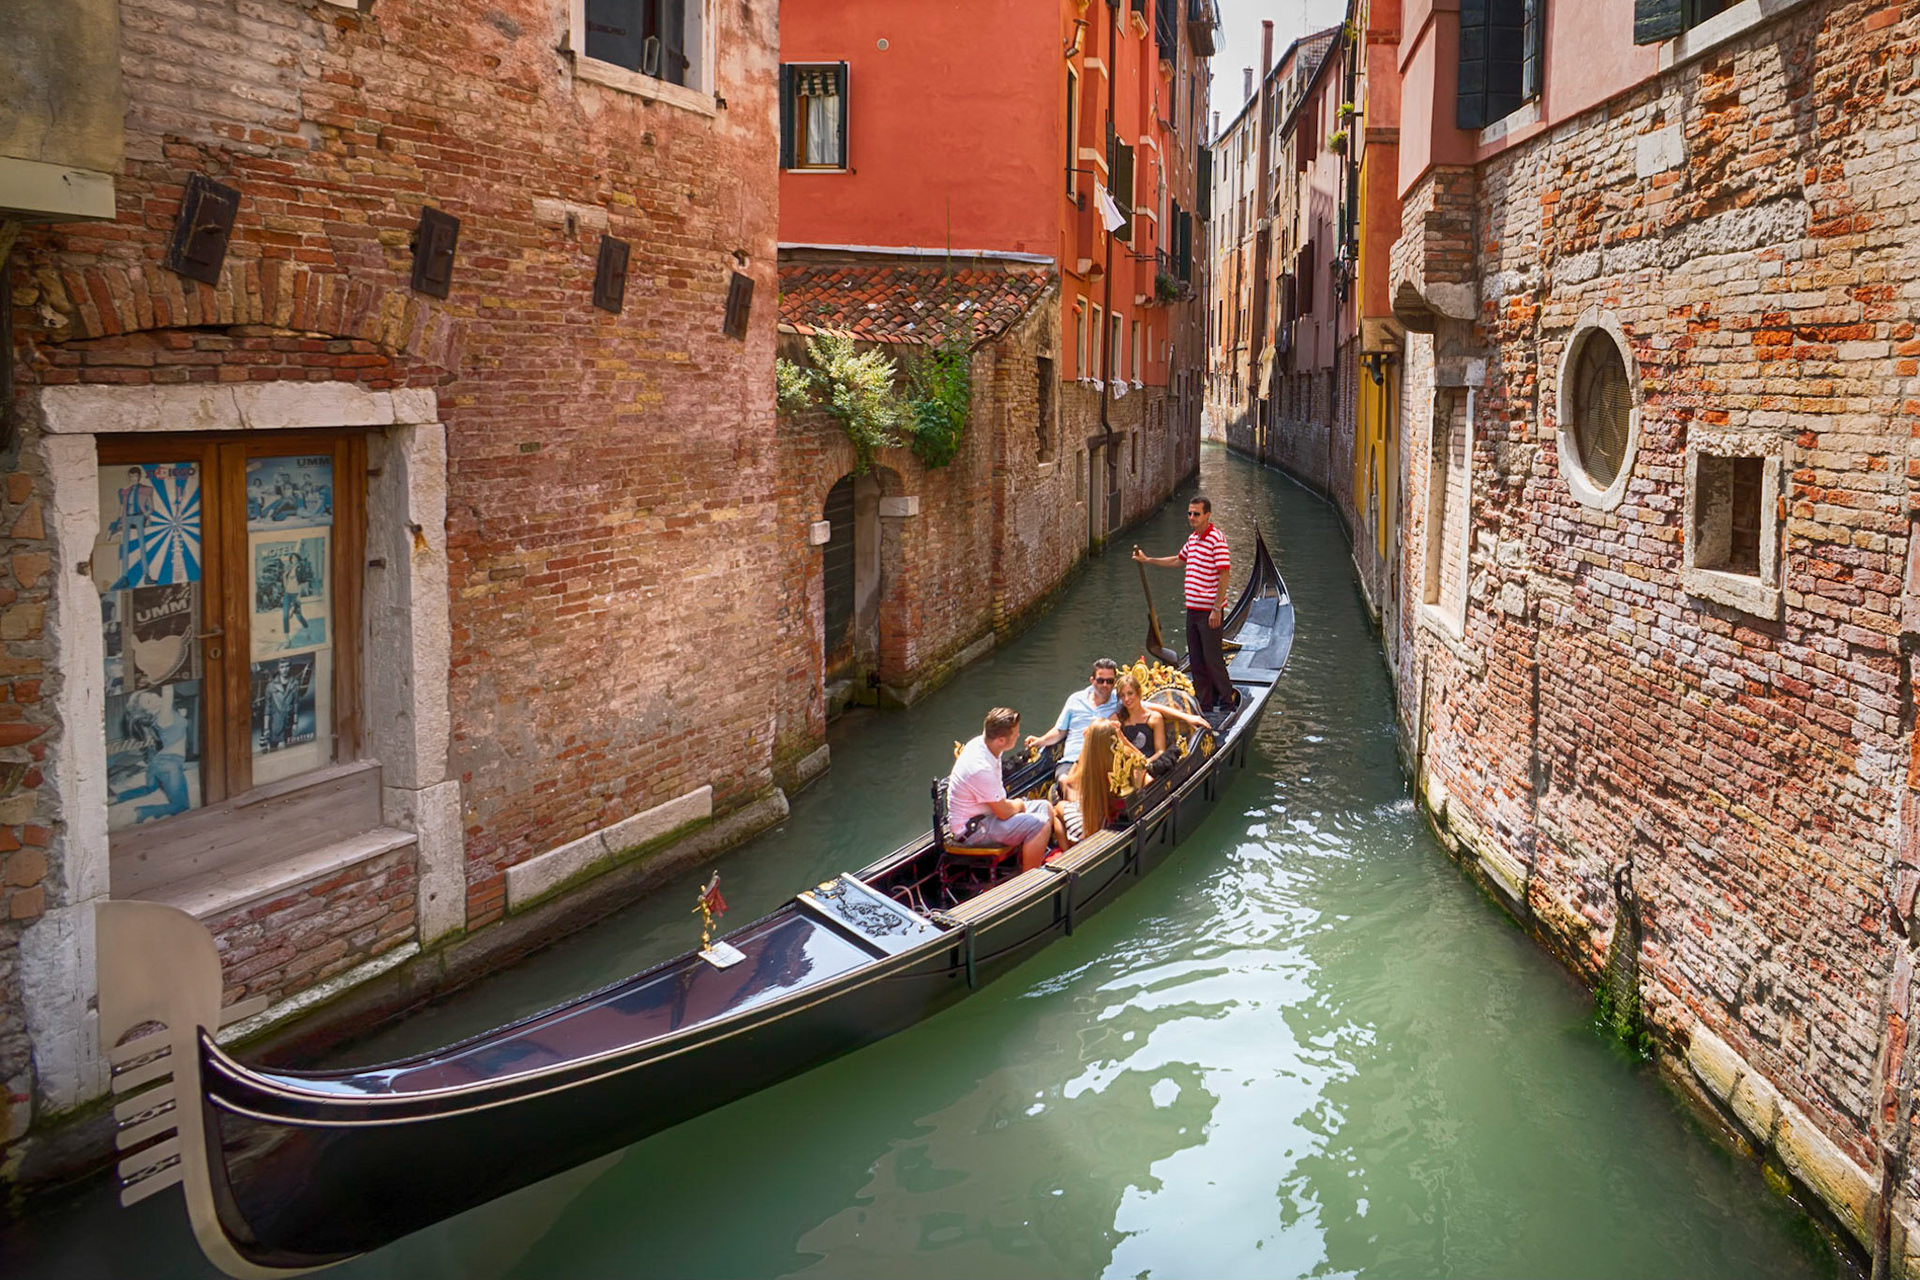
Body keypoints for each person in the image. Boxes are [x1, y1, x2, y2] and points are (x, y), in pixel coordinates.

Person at [1133, 496, 1237, 714]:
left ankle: (1227, 702)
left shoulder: (1217, 540)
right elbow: (1178, 560)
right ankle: (1205, 703)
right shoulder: (1193, 539)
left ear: (1207, 515)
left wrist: (1216, 608)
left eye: (1196, 514)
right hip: (1193, 610)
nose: (1191, 517)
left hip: (1209, 612)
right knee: (1196, 660)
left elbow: (1224, 574)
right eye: (1189, 513)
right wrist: (1148, 560)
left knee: (1212, 659)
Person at [948, 707, 1055, 872]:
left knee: (1045, 807)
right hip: (972, 830)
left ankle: (1040, 858)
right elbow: (1004, 812)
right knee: (1039, 825)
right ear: (1001, 740)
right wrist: (1019, 804)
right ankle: (1030, 878)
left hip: (986, 815)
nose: (1019, 735)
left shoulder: (982, 744)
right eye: (1015, 733)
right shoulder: (980, 767)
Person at [1025, 658, 1121, 801]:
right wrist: (1040, 741)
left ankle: (1075, 809)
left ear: (1114, 682)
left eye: (1110, 681)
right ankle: (1077, 809)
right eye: (1101, 681)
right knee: (1065, 780)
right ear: (1092, 680)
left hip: (1100, 761)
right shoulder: (1075, 699)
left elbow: (1142, 707)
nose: (1105, 685)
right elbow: (1060, 730)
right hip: (1071, 759)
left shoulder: (1120, 700)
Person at [1055, 719, 1130, 844]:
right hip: (1109, 823)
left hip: (1086, 829)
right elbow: (1142, 761)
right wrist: (1121, 737)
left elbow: (1069, 782)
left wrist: (1085, 748)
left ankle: (1067, 850)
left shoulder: (1087, 766)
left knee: (1058, 808)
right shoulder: (1121, 760)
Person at [1110, 671, 1213, 760]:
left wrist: (1146, 764)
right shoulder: (1116, 718)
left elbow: (1160, 752)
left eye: (1130, 693)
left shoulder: (1154, 718)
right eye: (1122, 695)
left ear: (1139, 692)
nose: (1126, 699)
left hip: (1150, 764)